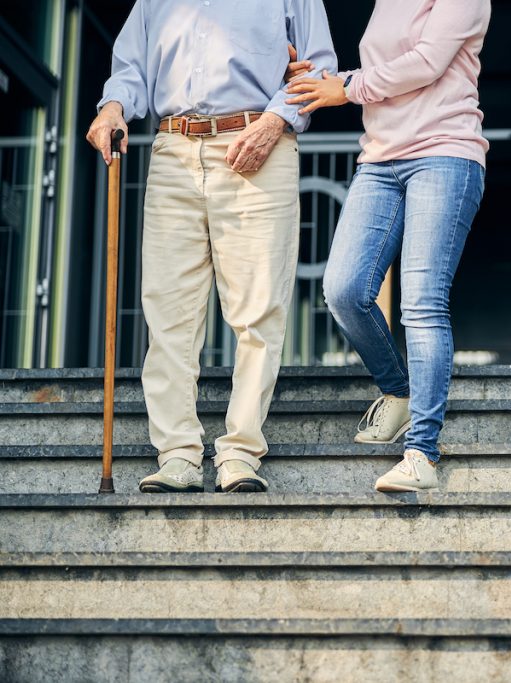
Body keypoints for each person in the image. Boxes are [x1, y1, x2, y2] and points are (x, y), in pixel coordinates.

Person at [86, 0, 337, 493]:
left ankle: (240, 453)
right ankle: (177, 453)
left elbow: (321, 68)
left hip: (258, 143)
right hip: (173, 149)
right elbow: (130, 68)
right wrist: (112, 107)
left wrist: (274, 122)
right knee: (168, 311)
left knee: (259, 310)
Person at [284, 0, 491, 492]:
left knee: (421, 302)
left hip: (444, 153)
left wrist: (347, 88)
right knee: (344, 289)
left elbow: (425, 63)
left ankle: (421, 451)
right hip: (380, 161)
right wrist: (321, 79)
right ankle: (398, 392)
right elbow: (383, 69)